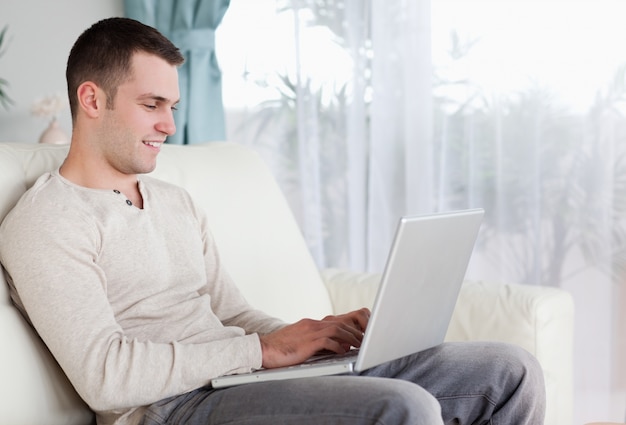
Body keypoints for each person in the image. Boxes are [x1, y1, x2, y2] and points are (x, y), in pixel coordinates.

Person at [0, 17, 546, 425]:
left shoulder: (174, 201)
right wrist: (263, 352)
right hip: (174, 408)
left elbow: (231, 312)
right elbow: (106, 378)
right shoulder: (47, 221)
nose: (170, 123)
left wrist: (315, 340)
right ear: (91, 99)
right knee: (402, 408)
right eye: (152, 104)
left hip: (243, 376)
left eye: (173, 105)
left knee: (509, 370)